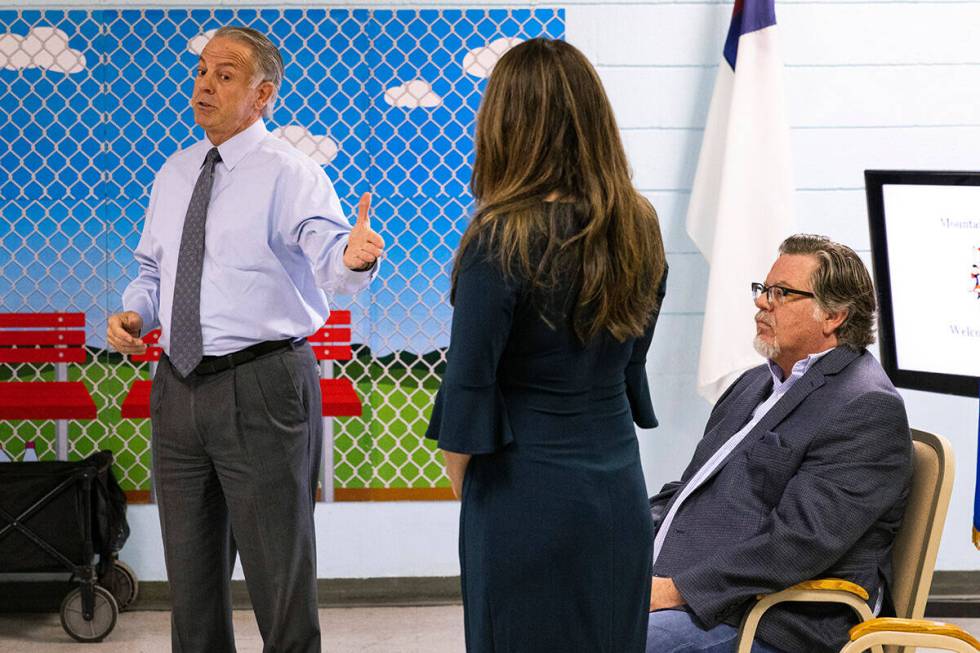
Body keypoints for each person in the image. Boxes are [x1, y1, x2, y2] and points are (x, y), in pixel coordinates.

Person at [106, 26, 384, 653]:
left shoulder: (293, 174)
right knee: (192, 588)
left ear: (262, 96)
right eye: (202, 71)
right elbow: (153, 271)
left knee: (278, 581)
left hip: (262, 388)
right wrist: (134, 314)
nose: (205, 84)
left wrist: (356, 257)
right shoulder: (175, 173)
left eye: (224, 75)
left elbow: (330, 256)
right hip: (176, 391)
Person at [425, 38, 668, 652]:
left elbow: (467, 391)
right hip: (617, 493)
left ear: (508, 125)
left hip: (520, 496)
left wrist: (482, 506)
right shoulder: (640, 225)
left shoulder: (498, 236)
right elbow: (631, 361)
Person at [645, 234, 912, 653]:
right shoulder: (756, 383)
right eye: (763, 289)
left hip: (773, 618)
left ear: (834, 315)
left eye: (781, 293)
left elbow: (797, 544)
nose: (761, 302)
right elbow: (691, 492)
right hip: (692, 587)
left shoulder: (865, 408)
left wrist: (673, 591)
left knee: (604, 637)